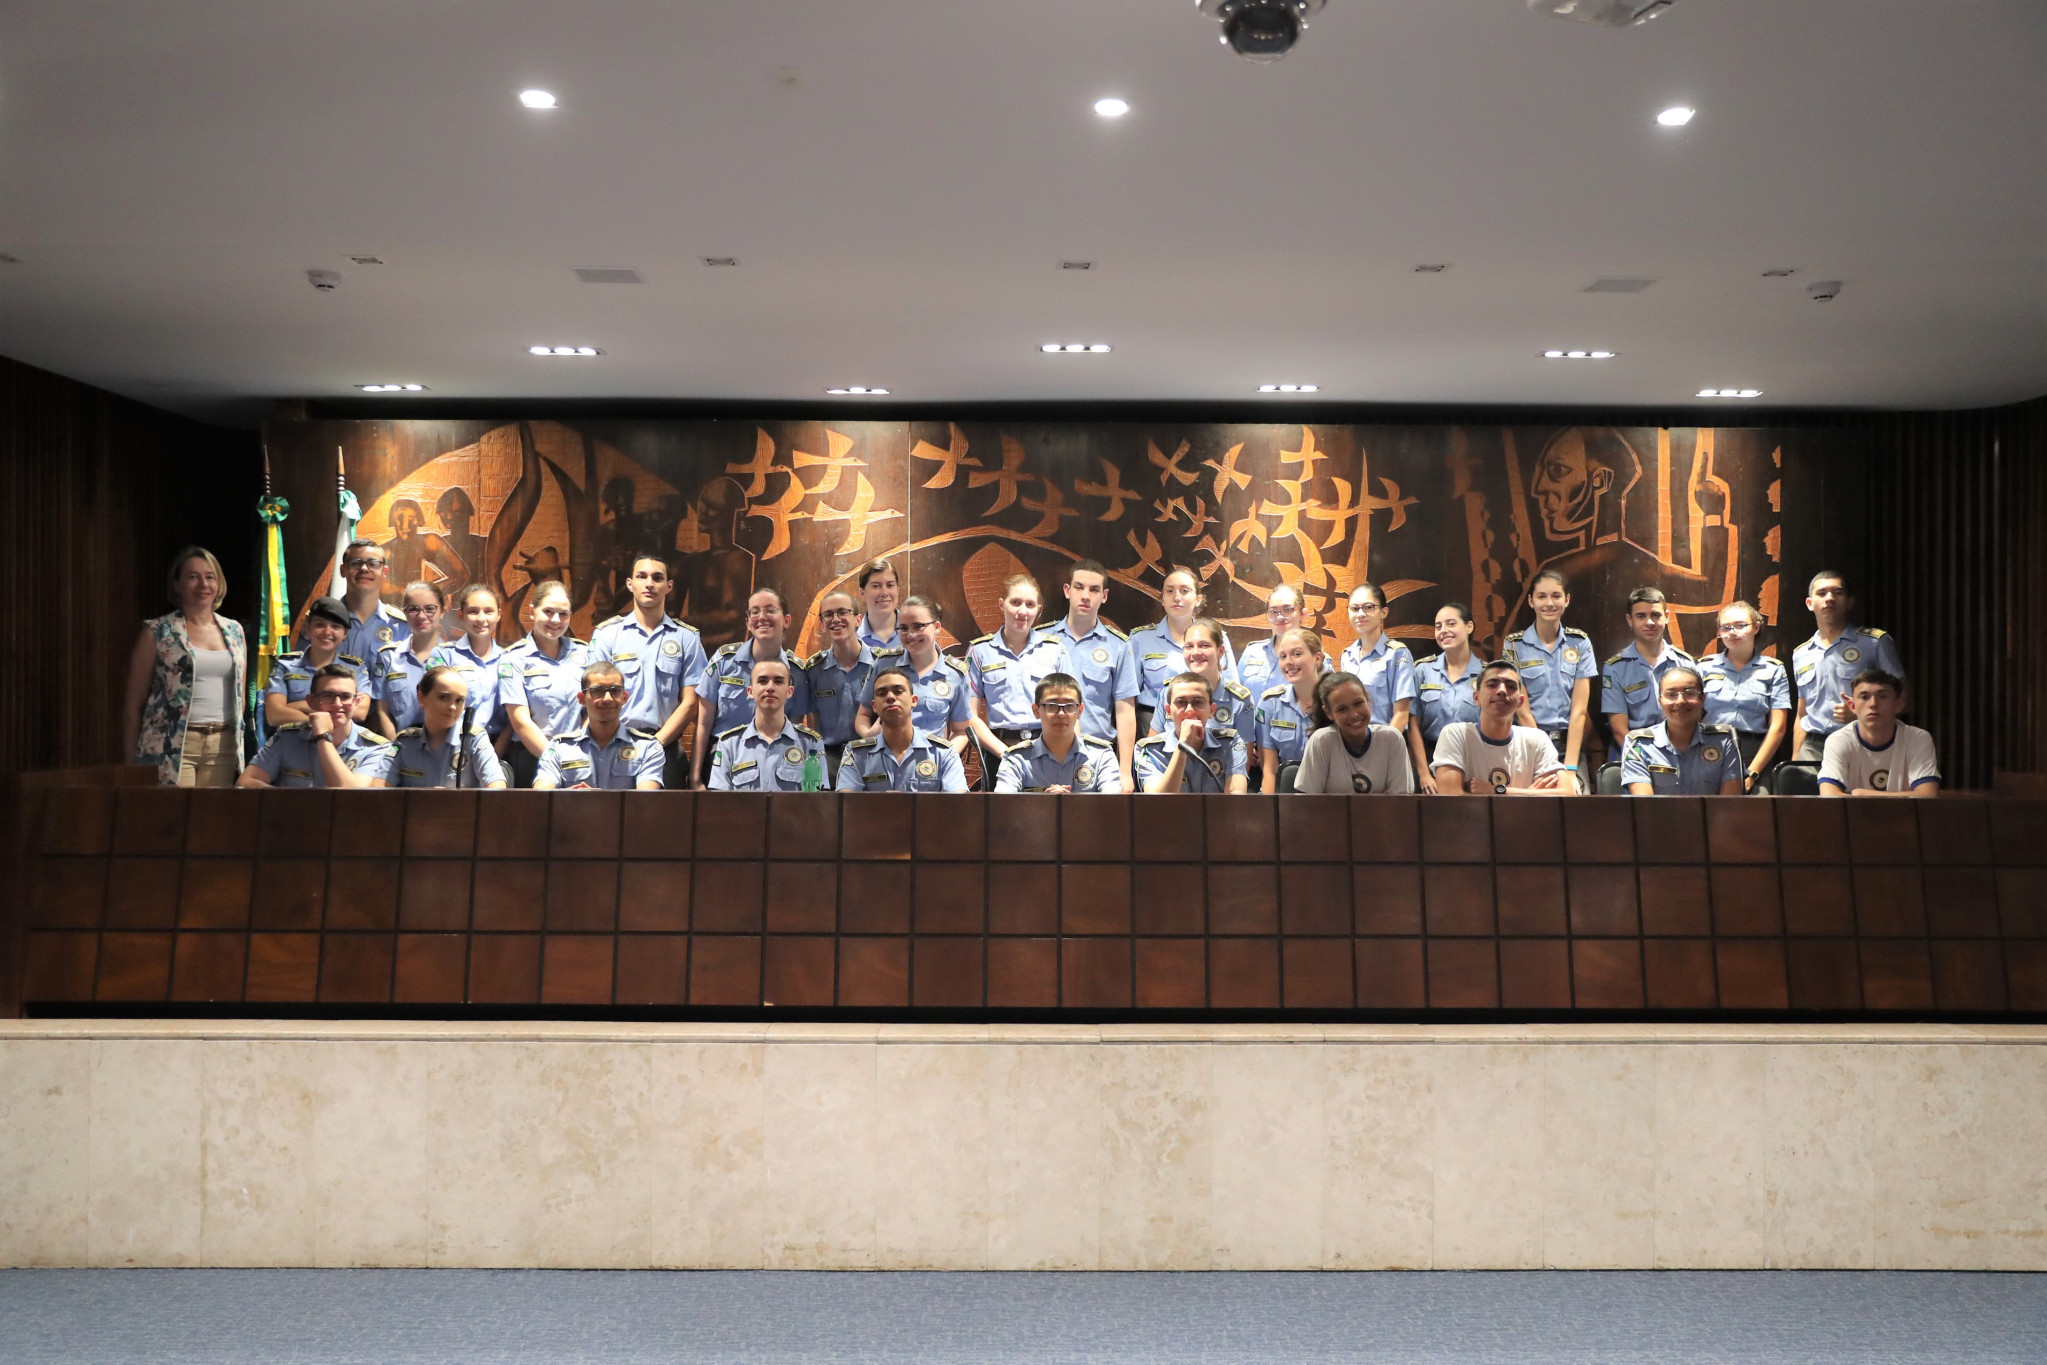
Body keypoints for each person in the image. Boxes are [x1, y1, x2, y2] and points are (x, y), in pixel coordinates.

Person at [124, 546, 249, 787]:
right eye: (193, 577)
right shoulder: (157, 631)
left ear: (218, 583)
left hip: (222, 746)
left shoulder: (235, 631)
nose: (203, 583)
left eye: (209, 577)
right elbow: (133, 706)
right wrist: (130, 766)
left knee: (213, 822)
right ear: (178, 584)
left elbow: (239, 695)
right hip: (172, 746)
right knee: (177, 821)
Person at [589, 555, 708, 787]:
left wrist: (655, 745)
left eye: (657, 578)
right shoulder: (607, 635)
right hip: (612, 745)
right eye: (641, 576)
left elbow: (691, 703)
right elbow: (594, 696)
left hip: (665, 748)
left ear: (669, 587)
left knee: (662, 822)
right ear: (629, 584)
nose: (649, 583)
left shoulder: (686, 638)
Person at [1038, 559, 1140, 789]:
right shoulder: (1040, 640)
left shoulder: (1119, 646)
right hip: (1044, 754)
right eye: (1079, 587)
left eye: (1094, 590)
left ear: (1104, 596)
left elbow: (1124, 709)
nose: (1086, 595)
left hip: (1098, 755)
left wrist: (1125, 771)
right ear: (1067, 591)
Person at [700, 587, 815, 778]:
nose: (762, 617)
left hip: (774, 761)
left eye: (770, 610)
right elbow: (703, 724)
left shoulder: (797, 673)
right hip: (721, 759)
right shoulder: (724, 660)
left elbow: (794, 734)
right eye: (755, 612)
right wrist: (695, 778)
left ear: (786, 620)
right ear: (747, 623)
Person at [1792, 571, 1906, 762]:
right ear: (1810, 604)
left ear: (1850, 602)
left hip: (1860, 740)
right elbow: (1802, 713)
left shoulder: (1875, 643)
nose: (1829, 598)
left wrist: (1859, 713)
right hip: (1813, 747)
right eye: (1822, 593)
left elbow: (1903, 700)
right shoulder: (1801, 653)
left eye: (1837, 592)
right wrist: (1796, 757)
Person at [1508, 568, 1600, 788]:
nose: (1549, 603)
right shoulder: (1514, 645)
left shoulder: (1580, 643)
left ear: (1567, 600)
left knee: (1577, 808)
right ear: (1531, 601)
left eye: (1556, 596)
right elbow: (1522, 710)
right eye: (1542, 596)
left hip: (1571, 746)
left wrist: (1569, 768)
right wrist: (1544, 757)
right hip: (1529, 744)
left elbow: (1579, 711)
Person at [966, 573, 1072, 756]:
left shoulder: (1056, 650)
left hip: (1049, 749)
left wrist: (1067, 753)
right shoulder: (980, 651)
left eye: (1030, 604)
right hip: (998, 749)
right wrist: (1004, 753)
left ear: (1039, 609)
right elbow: (970, 715)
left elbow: (1071, 708)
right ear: (1002, 604)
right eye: (1015, 602)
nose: (1022, 611)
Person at [1127, 566, 1239, 736]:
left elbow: (1232, 688)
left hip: (1207, 720)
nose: (1177, 597)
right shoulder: (1140, 638)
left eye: (1185, 591)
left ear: (1198, 599)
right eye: (1170, 591)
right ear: (1162, 599)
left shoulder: (1217, 637)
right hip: (1154, 724)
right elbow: (1128, 695)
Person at [1432, 661, 1573, 796]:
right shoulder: (1456, 735)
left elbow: (1566, 792)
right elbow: (1451, 798)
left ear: (1520, 702)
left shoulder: (1537, 739)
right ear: (1476, 698)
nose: (1502, 690)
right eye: (1492, 685)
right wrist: (1530, 795)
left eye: (1511, 686)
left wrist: (1497, 790)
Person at [237, 664, 391, 788]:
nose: (337, 704)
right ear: (311, 701)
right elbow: (245, 782)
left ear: (357, 702)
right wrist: (289, 804)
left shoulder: (376, 748)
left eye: (345, 697)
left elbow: (349, 796)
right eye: (327, 695)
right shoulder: (287, 738)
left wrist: (323, 737)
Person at [499, 580, 590, 787]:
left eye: (563, 614)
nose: (556, 620)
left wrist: (577, 754)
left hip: (578, 755)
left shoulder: (585, 655)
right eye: (548, 611)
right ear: (532, 611)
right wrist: (557, 760)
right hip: (532, 757)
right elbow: (520, 721)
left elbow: (590, 712)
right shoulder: (513, 659)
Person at [855, 595, 969, 758]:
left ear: (937, 627)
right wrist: (869, 735)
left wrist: (944, 761)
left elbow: (961, 731)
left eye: (918, 626)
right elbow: (863, 715)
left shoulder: (955, 674)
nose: (911, 634)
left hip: (930, 767)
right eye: (904, 628)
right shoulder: (884, 664)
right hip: (885, 762)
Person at [1697, 600, 1793, 789]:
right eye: (1726, 627)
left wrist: (1753, 773)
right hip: (1710, 749)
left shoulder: (1773, 669)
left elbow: (1778, 727)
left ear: (1756, 627)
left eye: (1741, 626)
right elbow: (1692, 716)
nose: (1733, 632)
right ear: (1719, 632)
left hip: (1754, 753)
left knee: (1758, 813)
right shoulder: (1703, 668)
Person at [532, 663, 665, 790]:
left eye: (615, 691)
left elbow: (644, 801)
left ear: (625, 697)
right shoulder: (558, 748)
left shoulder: (648, 748)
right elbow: (542, 795)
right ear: (581, 698)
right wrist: (569, 798)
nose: (607, 698)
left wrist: (595, 799)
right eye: (597, 691)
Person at [838, 665, 969, 792]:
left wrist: (907, 805)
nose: (890, 697)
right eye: (882, 693)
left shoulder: (943, 753)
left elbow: (957, 804)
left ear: (914, 701)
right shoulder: (856, 754)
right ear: (874, 706)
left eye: (898, 691)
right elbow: (845, 805)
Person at [1620, 665, 1744, 796]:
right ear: (1660, 701)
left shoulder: (1723, 741)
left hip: (1712, 816)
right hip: (1658, 816)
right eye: (1671, 695)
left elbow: (1729, 803)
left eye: (1689, 693)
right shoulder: (1640, 744)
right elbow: (1645, 806)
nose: (1680, 701)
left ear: (1702, 699)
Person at [708, 656, 827, 791]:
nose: (770, 687)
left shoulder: (811, 745)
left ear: (790, 692)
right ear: (750, 691)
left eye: (778, 681)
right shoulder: (729, 745)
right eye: (763, 681)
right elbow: (718, 804)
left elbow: (819, 803)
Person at [993, 673, 1123, 793]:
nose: (1061, 713)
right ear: (1036, 710)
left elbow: (1112, 805)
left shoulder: (1101, 756)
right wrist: (1044, 806)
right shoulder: (1017, 759)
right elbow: (1002, 806)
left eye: (1069, 706)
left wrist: (1070, 804)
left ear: (1080, 711)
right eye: (1051, 705)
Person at [1819, 669, 1940, 798]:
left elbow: (1927, 795)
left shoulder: (1917, 739)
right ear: (1852, 705)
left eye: (1882, 696)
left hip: (1904, 817)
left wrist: (1862, 794)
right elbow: (1829, 796)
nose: (1873, 704)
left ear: (1898, 705)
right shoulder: (1838, 740)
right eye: (1864, 697)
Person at [383, 665, 507, 789]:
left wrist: (449, 800)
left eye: (459, 700)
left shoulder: (473, 740)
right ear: (421, 698)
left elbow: (497, 790)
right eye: (444, 698)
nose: (452, 707)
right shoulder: (405, 743)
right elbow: (378, 790)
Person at [1603, 587, 1696, 750]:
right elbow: (1619, 730)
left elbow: (1695, 717)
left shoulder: (1685, 663)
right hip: (1636, 752)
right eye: (1641, 616)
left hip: (1680, 750)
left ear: (1667, 617)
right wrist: (1643, 760)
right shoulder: (1615, 668)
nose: (1650, 622)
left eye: (1656, 615)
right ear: (1630, 620)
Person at [803, 590, 881, 784]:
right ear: (821, 624)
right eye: (828, 615)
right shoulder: (814, 669)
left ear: (858, 619)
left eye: (842, 612)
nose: (835, 619)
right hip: (829, 759)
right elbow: (812, 724)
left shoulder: (881, 664)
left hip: (872, 755)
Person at [1294, 671, 1414, 794]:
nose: (1354, 714)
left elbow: (1401, 802)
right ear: (1328, 712)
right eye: (1342, 709)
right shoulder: (1321, 741)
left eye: (1358, 703)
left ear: (1367, 698)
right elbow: (1306, 805)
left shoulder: (1392, 739)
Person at [1408, 603, 1482, 796]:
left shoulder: (1486, 674)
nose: (1444, 631)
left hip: (1474, 760)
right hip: (1430, 758)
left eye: (1451, 624)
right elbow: (1413, 725)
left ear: (1469, 627)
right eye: (1438, 626)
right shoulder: (1422, 670)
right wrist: (1423, 773)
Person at [265, 596, 372, 728]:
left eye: (335, 626)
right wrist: (320, 721)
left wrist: (298, 705)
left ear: (345, 634)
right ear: (308, 627)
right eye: (319, 625)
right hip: (293, 743)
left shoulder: (354, 668)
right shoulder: (285, 665)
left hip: (339, 744)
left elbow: (361, 712)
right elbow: (274, 715)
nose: (327, 632)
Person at [1134, 672, 1249, 794]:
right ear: (1168, 711)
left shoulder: (1230, 743)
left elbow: (1236, 799)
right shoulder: (1150, 750)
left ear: (1211, 710)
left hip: (1217, 813)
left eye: (1198, 702)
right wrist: (1183, 745)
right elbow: (1158, 803)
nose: (1189, 710)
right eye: (1181, 702)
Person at [369, 582, 451, 738]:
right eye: (413, 609)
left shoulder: (454, 656)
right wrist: (395, 748)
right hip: (400, 745)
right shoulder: (388, 656)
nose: (421, 616)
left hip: (443, 749)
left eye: (430, 609)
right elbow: (382, 710)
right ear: (404, 613)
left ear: (443, 611)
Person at [1253, 627, 1326, 793]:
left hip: (1327, 794)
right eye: (1283, 656)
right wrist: (1271, 811)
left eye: (1297, 654)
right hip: (1285, 793)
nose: (1288, 662)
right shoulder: (1269, 703)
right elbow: (1269, 770)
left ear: (1317, 658)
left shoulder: (1335, 701)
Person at [314, 537, 408, 666]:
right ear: (342, 570)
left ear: (384, 572)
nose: (364, 568)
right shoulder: (320, 622)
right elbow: (304, 673)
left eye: (373, 564)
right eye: (355, 563)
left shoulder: (401, 626)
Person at [1338, 582, 1415, 736]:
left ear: (1383, 612)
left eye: (1368, 607)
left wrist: (1385, 750)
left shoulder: (1397, 654)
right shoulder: (1347, 655)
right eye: (1354, 608)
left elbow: (1401, 714)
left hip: (1383, 740)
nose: (1360, 614)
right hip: (1351, 742)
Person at [1153, 619, 1254, 735]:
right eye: (1189, 646)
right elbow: (1152, 748)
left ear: (1220, 651)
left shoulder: (1239, 700)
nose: (1195, 652)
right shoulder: (1168, 692)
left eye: (1204, 645)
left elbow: (1243, 751)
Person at [1234, 584, 1304, 696]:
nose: (1280, 617)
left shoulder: (1315, 657)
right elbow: (1237, 698)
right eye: (1273, 611)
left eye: (1287, 610)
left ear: (1302, 614)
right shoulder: (1252, 652)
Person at [855, 557, 902, 652]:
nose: (884, 593)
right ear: (862, 593)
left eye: (890, 585)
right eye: (876, 586)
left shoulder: (917, 633)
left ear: (897, 590)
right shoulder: (852, 639)